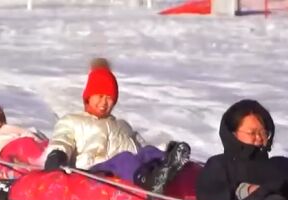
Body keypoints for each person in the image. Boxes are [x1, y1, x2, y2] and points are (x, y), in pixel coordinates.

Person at [43, 58, 190, 192]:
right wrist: (57, 155)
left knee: (148, 151)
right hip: (92, 172)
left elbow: (141, 146)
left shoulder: (122, 125)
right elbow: (62, 139)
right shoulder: (73, 121)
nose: (104, 103)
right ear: (88, 97)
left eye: (110, 98)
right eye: (100, 96)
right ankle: (148, 181)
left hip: (124, 173)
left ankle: (168, 168)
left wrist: (166, 149)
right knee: (124, 158)